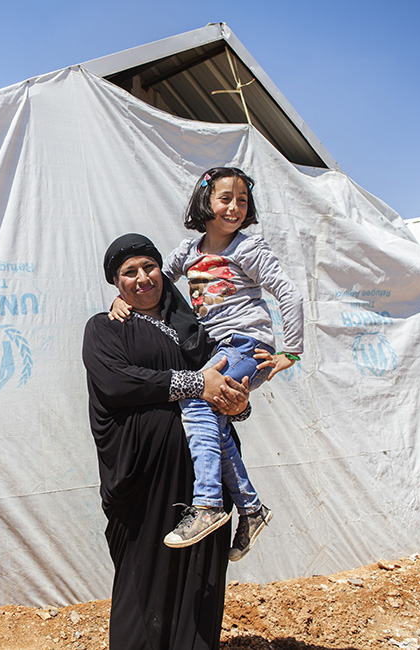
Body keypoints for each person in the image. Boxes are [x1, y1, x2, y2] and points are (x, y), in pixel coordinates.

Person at [110, 167, 303, 560]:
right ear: (205, 202)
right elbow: (154, 282)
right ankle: (250, 509)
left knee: (197, 400)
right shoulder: (189, 251)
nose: (234, 207)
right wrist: (122, 299)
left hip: (245, 344)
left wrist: (291, 352)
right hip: (219, 347)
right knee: (213, 419)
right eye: (225, 198)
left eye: (242, 200)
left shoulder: (249, 250)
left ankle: (210, 504)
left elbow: (289, 293)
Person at [83, 233, 251, 650]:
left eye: (149, 267)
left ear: (163, 270)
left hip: (204, 488)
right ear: (116, 283)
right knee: (145, 578)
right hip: (143, 483)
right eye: (129, 272)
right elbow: (117, 382)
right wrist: (198, 383)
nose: (142, 278)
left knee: (200, 583)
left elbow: (227, 388)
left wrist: (239, 405)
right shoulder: (105, 328)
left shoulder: (197, 331)